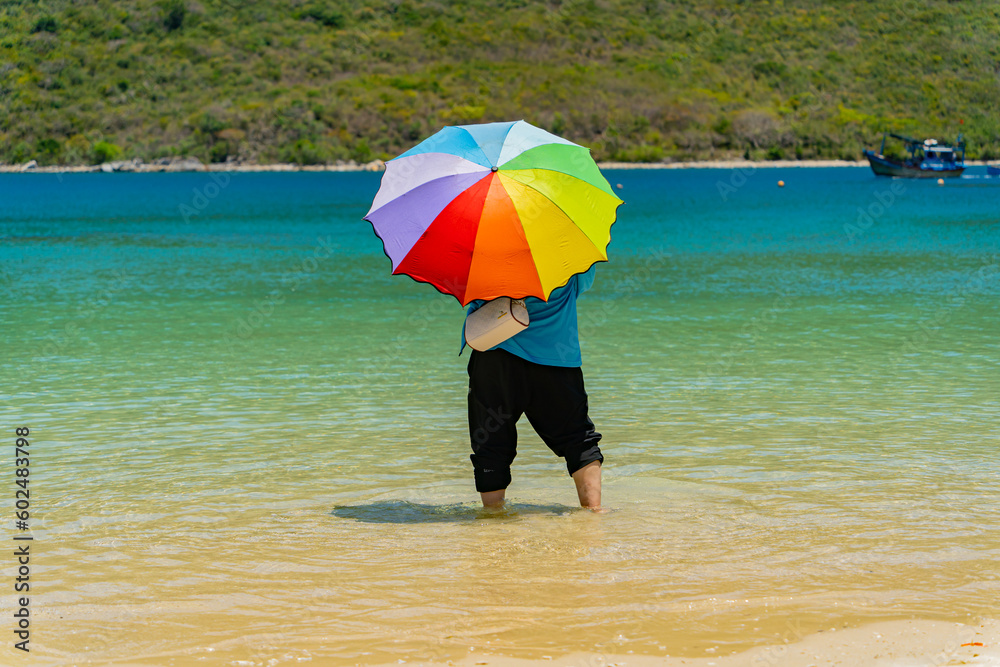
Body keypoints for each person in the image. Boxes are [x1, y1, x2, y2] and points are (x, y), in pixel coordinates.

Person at [462, 265, 604, 510]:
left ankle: (493, 519)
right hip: (556, 358)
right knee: (578, 438)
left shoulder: (483, 257)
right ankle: (593, 513)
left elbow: (465, 291)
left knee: (490, 442)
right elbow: (583, 283)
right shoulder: (566, 258)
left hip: (495, 356)